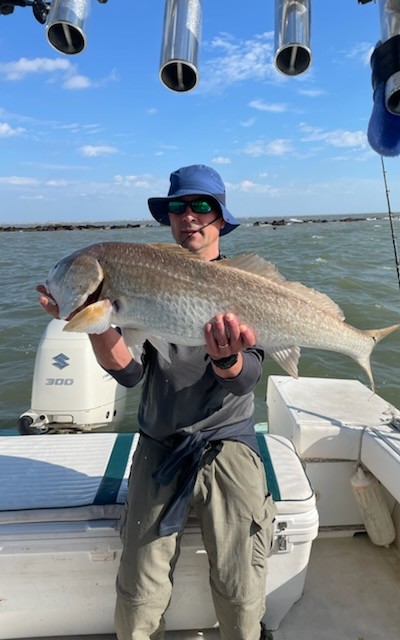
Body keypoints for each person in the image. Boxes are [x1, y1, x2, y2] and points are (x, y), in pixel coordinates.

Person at [38, 164, 276, 640]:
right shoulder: (141, 277)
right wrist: (98, 323)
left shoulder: (249, 287)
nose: (189, 216)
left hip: (228, 442)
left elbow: (245, 379)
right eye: (177, 207)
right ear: (167, 219)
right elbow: (129, 374)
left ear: (221, 218)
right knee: (138, 599)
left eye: (201, 206)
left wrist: (226, 360)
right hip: (159, 445)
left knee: (241, 594)